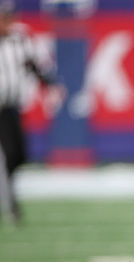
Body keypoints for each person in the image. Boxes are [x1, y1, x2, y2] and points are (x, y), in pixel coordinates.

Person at [0, 0, 60, 226]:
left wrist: (50, 84)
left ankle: (8, 194)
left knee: (19, 155)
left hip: (11, 105)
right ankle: (10, 204)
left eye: (9, 16)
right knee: (9, 154)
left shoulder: (20, 38)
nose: (7, 21)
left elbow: (34, 64)